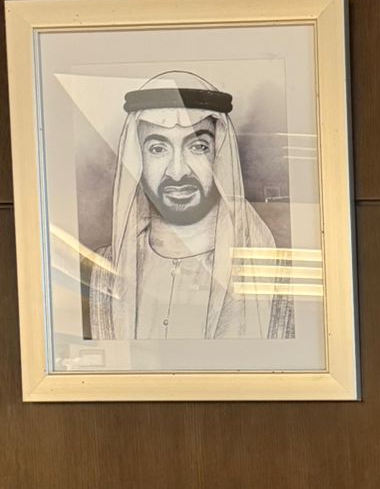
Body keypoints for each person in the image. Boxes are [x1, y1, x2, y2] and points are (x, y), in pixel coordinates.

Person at [87, 70, 293, 342]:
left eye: (197, 147)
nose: (177, 172)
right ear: (138, 159)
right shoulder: (104, 270)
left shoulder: (270, 268)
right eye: (157, 149)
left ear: (218, 155)